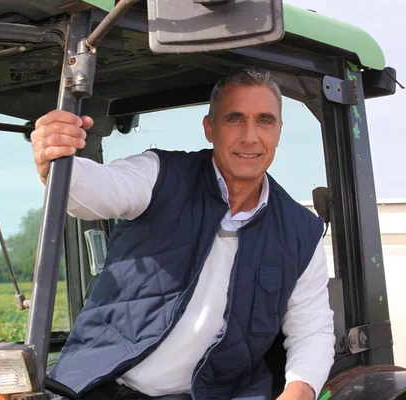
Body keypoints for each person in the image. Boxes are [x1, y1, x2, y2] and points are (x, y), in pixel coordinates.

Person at [31, 67, 335, 400]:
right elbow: (98, 190)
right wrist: (57, 164)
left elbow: (311, 331)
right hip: (102, 386)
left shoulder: (300, 232)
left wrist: (300, 390)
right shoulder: (158, 175)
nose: (250, 136)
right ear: (210, 128)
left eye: (264, 120)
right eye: (234, 119)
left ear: (278, 130)